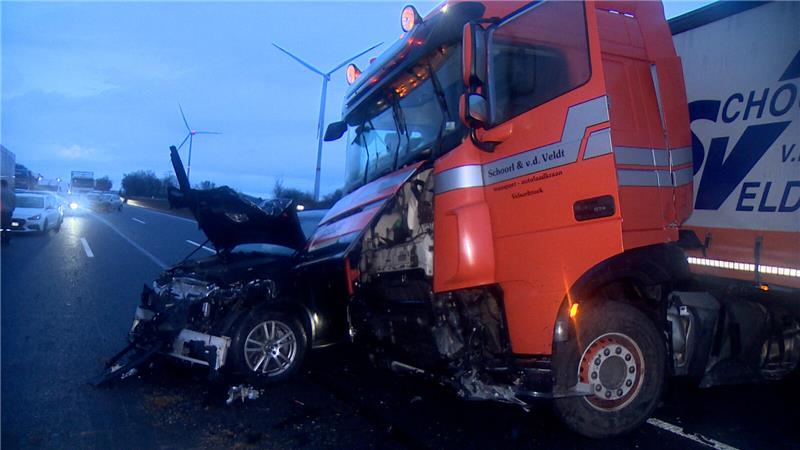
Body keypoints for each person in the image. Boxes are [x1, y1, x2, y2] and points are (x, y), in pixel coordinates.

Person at [1, 179, 15, 243]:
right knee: (7, 226)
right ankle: (7, 239)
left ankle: (2, 238)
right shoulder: (11, 193)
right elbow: (14, 203)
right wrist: (12, 210)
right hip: (8, 212)